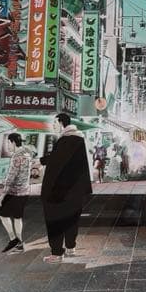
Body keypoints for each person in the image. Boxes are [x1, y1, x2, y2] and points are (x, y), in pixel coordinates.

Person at [39, 113, 92, 263]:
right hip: (76, 190)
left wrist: (41, 161)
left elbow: (56, 161)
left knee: (55, 220)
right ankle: (70, 247)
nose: (53, 126)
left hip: (60, 190)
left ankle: (56, 253)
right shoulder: (79, 138)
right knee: (72, 219)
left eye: (55, 123)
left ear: (62, 123)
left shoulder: (67, 139)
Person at [0, 133, 36, 254]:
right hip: (25, 190)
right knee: (18, 217)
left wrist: (2, 195)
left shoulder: (16, 157)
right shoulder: (27, 154)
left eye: (8, 143)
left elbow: (11, 176)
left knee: (2, 214)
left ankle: (13, 239)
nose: (8, 145)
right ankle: (19, 244)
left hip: (14, 192)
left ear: (13, 142)